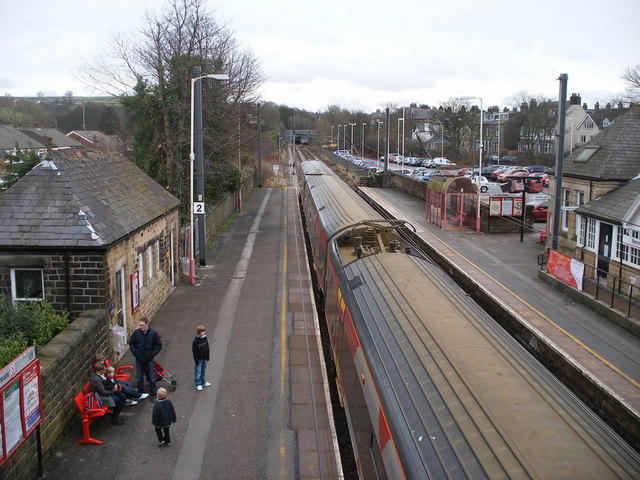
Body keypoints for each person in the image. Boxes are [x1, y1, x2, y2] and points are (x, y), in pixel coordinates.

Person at [129, 317, 162, 402]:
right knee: (139, 378)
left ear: (147, 324)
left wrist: (152, 354)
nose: (141, 327)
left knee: (151, 378)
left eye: (142, 325)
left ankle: (153, 395)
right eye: (140, 325)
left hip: (149, 359)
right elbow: (131, 343)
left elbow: (158, 345)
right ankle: (140, 394)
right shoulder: (136, 333)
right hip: (139, 358)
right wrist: (135, 352)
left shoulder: (153, 334)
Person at [192, 325, 212, 391]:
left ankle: (203, 382)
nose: (204, 332)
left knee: (203, 370)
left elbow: (207, 347)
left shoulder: (205, 338)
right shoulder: (196, 341)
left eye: (204, 331)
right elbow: (194, 351)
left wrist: (208, 356)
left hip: (204, 358)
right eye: (203, 331)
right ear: (199, 332)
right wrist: (196, 360)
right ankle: (198, 383)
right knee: (198, 372)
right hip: (199, 359)